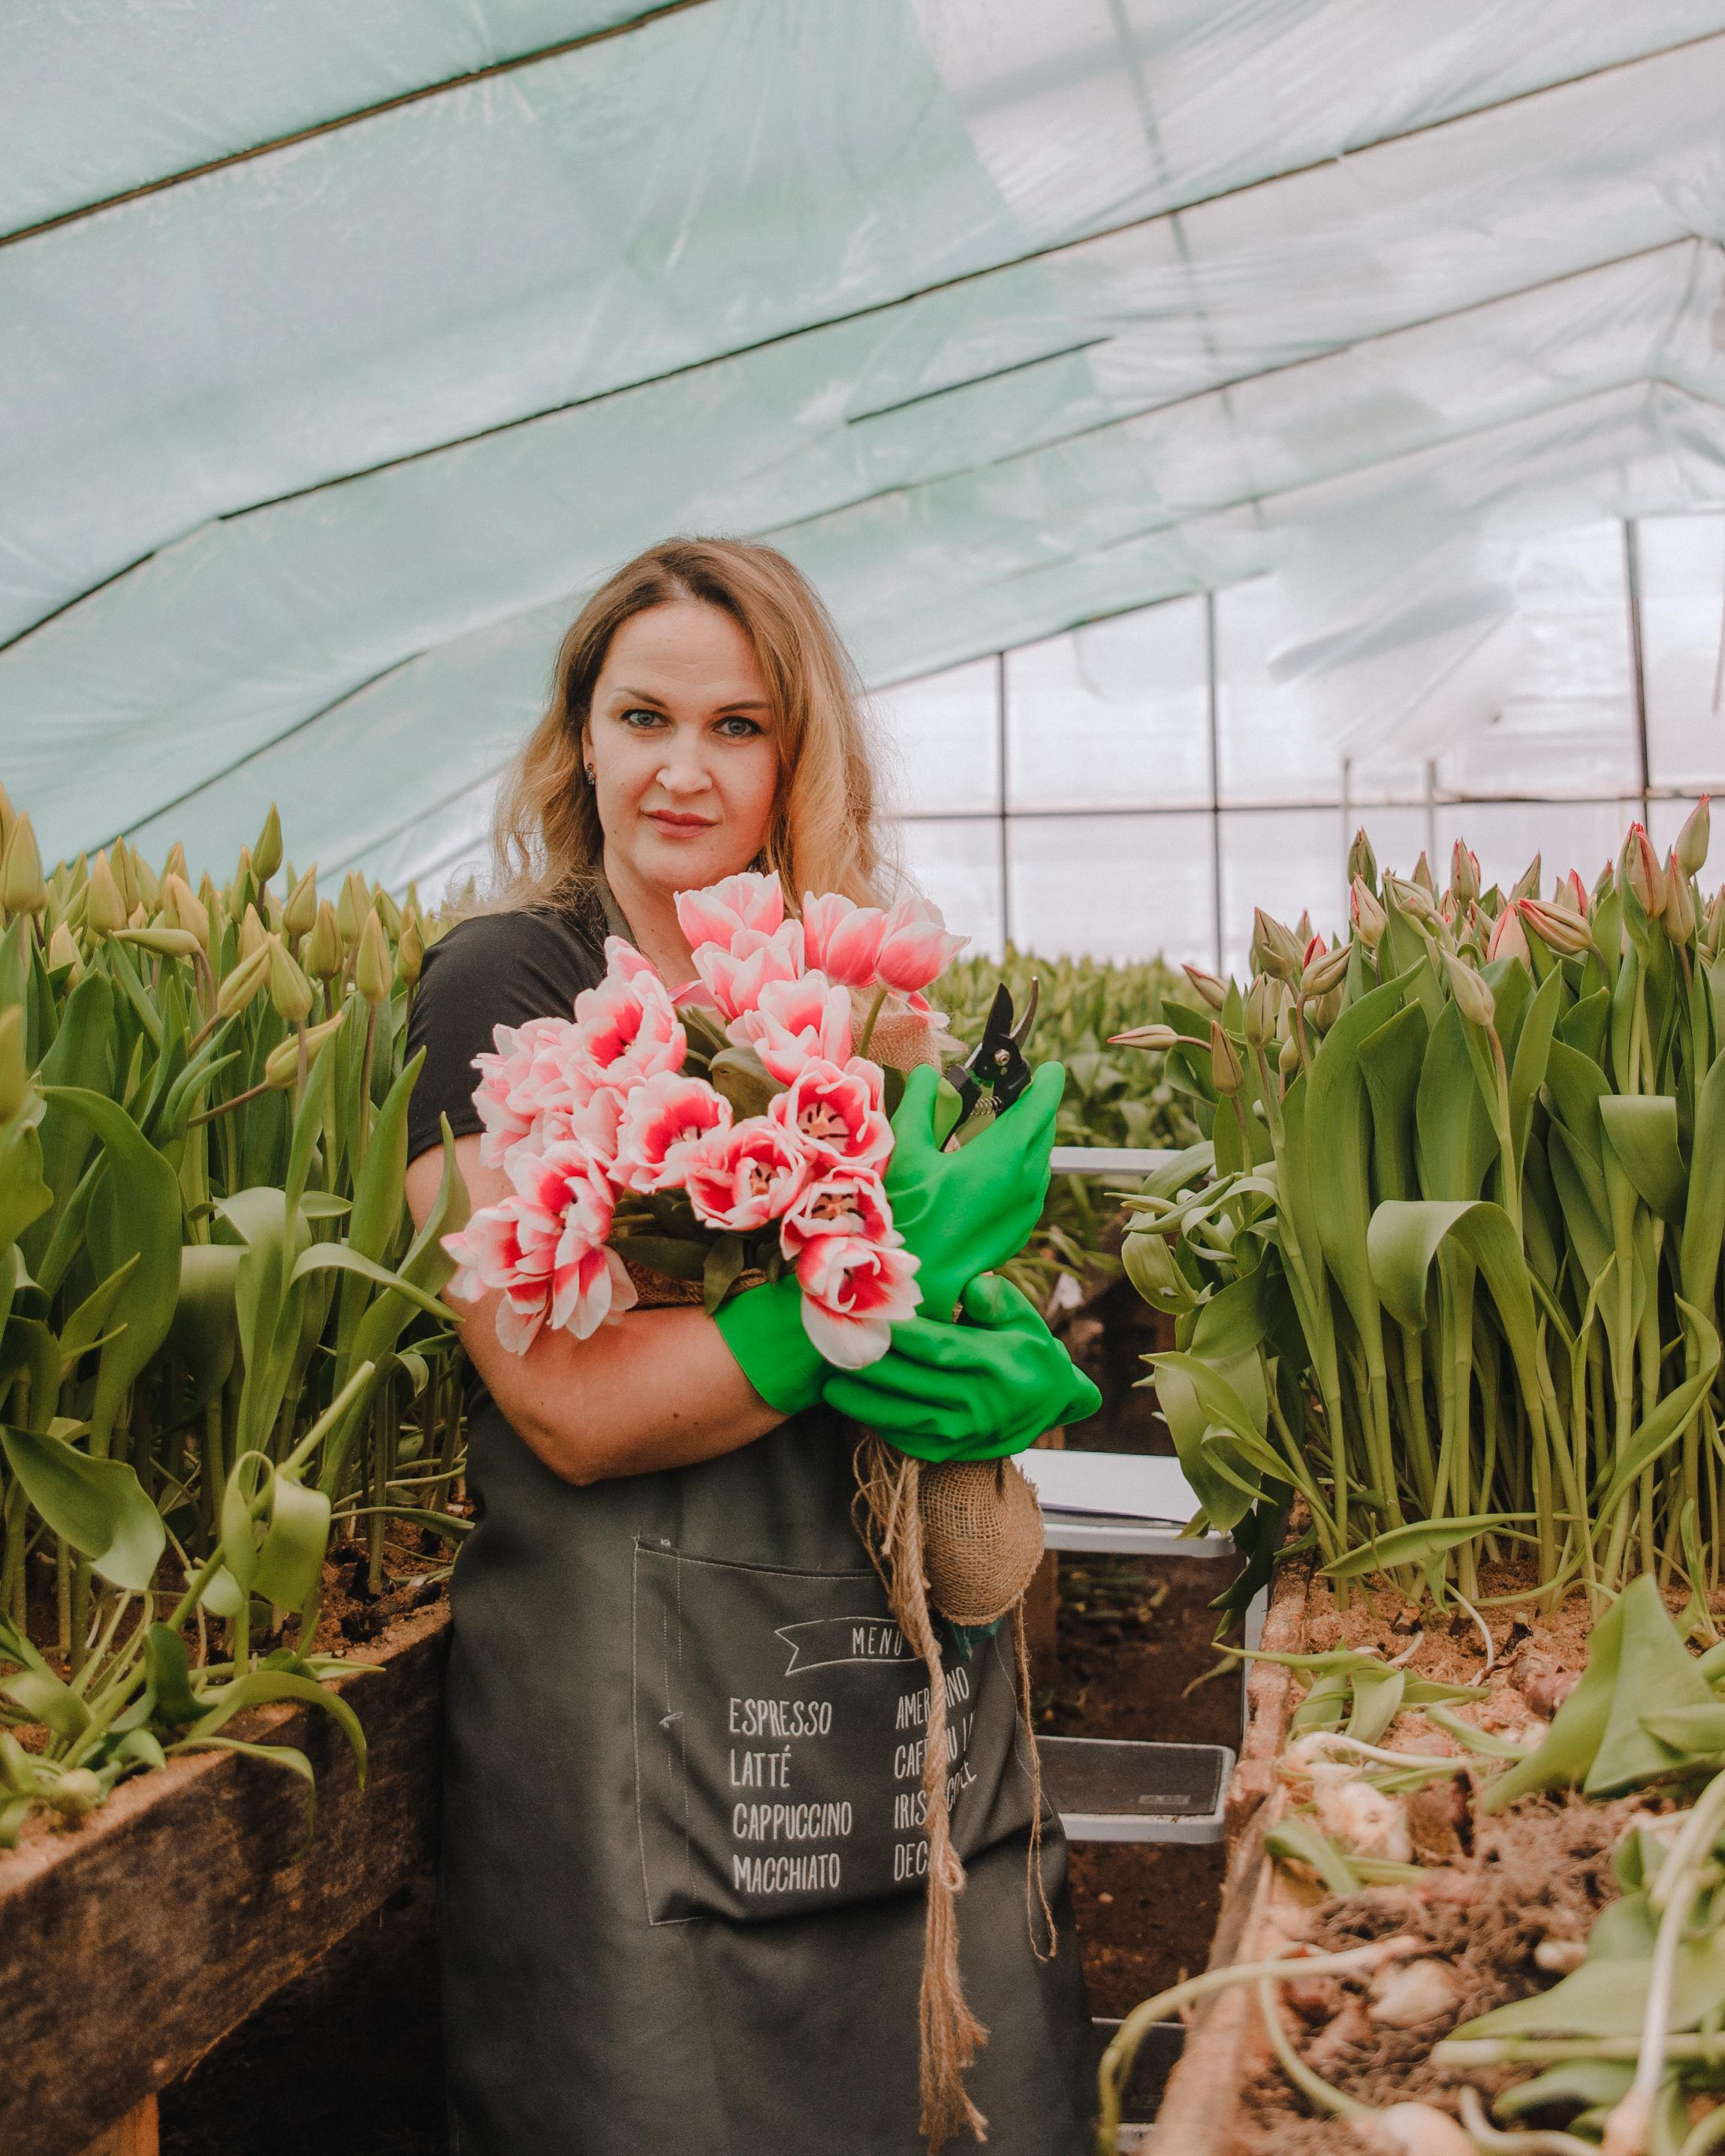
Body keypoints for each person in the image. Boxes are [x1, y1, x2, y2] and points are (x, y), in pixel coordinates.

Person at [403, 537, 1102, 2154]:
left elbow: (940, 1278)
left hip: (886, 1679)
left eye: (737, 726)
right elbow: (563, 1404)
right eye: (644, 716)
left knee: (962, 2076)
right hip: (632, 1705)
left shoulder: (857, 991)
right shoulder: (508, 980)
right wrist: (840, 1312)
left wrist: (992, 1347)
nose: (683, 769)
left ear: (797, 748)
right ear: (581, 735)